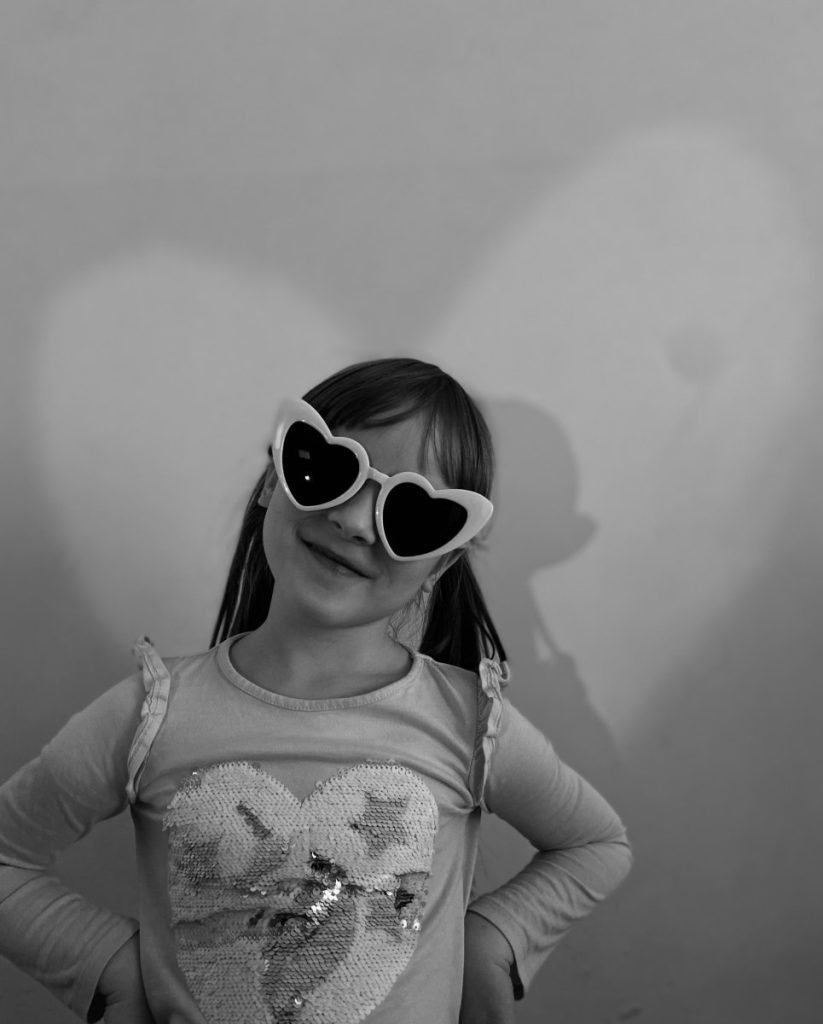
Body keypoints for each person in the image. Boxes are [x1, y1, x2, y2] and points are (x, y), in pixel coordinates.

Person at [0, 357, 632, 1024]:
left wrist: (491, 942)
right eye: (330, 468)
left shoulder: (469, 723)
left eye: (411, 513)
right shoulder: (151, 716)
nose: (355, 520)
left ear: (441, 562)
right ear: (275, 477)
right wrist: (106, 966)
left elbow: (596, 846)